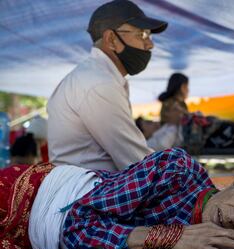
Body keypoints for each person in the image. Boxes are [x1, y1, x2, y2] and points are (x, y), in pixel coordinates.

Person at [0, 148, 234, 249]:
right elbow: (75, 227)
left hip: (34, 242)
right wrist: (171, 238)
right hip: (23, 198)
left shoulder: (221, 248)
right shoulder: (176, 171)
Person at [47, 0, 168, 171]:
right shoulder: (98, 83)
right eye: (142, 35)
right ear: (111, 39)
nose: (150, 44)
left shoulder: (99, 76)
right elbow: (137, 162)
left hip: (91, 186)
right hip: (89, 192)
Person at [137, 116, 234, 152]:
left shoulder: (162, 130)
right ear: (143, 133)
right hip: (213, 138)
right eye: (148, 124)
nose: (154, 123)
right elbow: (162, 146)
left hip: (212, 130)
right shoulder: (152, 143)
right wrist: (175, 124)